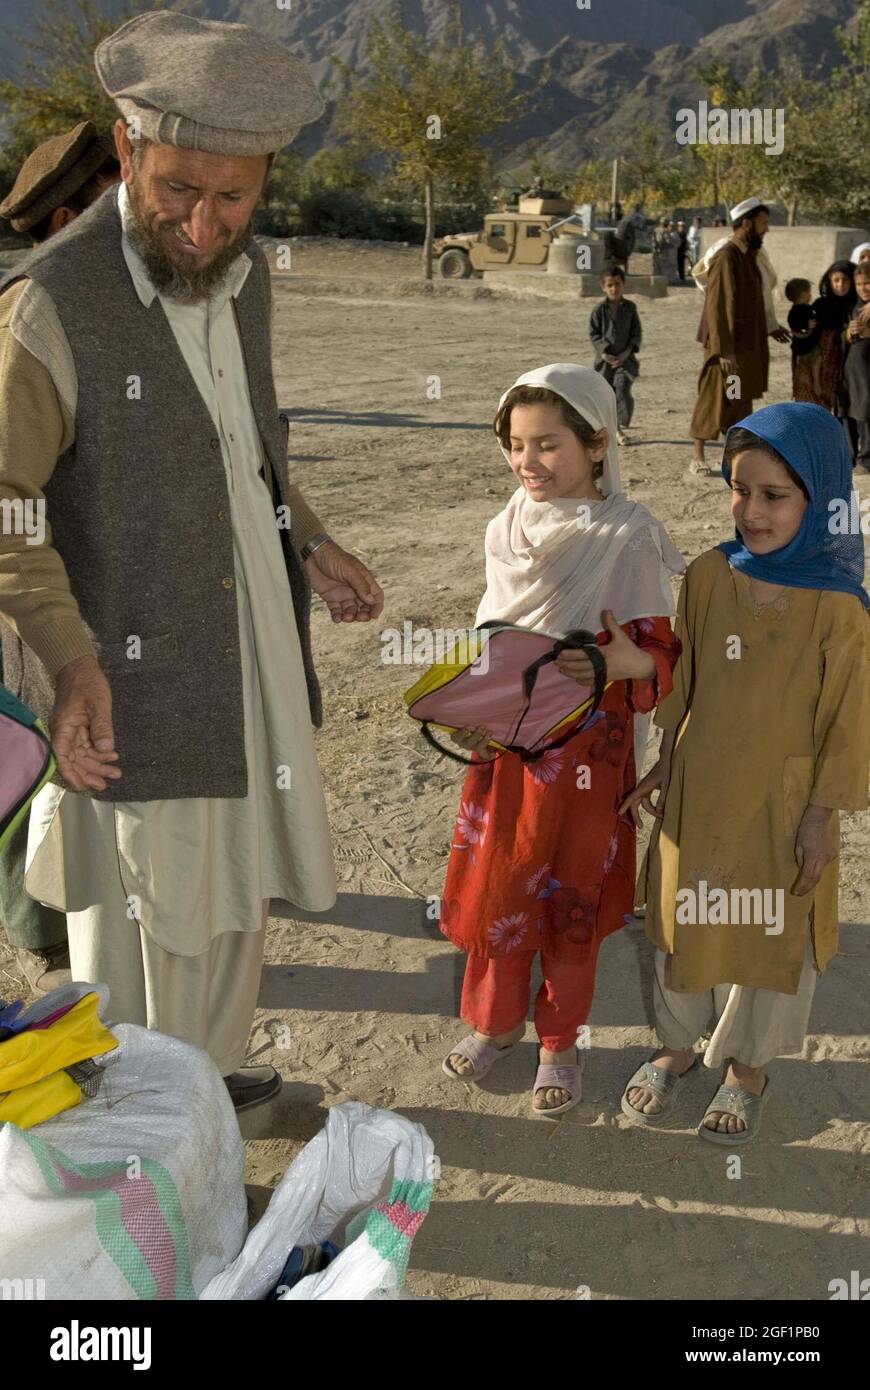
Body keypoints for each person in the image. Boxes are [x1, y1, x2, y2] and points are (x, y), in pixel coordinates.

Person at [0, 12, 383, 1113]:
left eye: (234, 196)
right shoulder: (49, 306)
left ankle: (200, 1077)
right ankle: (155, 1133)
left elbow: (242, 441)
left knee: (229, 888)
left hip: (248, 643)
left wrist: (309, 541)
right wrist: (71, 660)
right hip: (132, 667)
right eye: (177, 190)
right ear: (124, 151)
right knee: (150, 912)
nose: (205, 225)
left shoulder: (247, 276)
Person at [438, 363, 683, 1118]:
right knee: (502, 886)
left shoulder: (630, 535)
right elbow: (492, 633)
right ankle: (493, 1022)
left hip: (586, 753)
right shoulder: (504, 526)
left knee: (570, 899)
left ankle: (560, 1042)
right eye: (516, 445)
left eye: (548, 444)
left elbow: (663, 656)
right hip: (507, 747)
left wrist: (615, 660)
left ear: (599, 442)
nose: (528, 463)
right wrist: (462, 699)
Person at [620, 403, 869, 1143]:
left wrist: (822, 816)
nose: (751, 511)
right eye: (739, 489)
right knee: (682, 916)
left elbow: (849, 724)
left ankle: (746, 1068)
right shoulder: (706, 575)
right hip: (701, 791)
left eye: (774, 495)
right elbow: (688, 683)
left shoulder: (840, 607)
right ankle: (675, 1046)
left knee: (768, 931)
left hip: (784, 803)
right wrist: (665, 763)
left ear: (820, 499)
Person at [0, 121, 120, 995]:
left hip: (74, 574)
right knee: (32, 748)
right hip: (25, 583)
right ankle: (38, 922)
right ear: (73, 216)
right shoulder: (32, 313)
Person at [689, 196, 788, 477]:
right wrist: (724, 349)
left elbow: (755, 300)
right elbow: (719, 305)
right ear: (747, 224)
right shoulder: (726, 257)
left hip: (744, 343)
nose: (766, 230)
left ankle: (735, 455)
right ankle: (697, 456)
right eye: (763, 224)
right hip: (726, 345)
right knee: (715, 397)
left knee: (740, 398)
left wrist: (771, 326)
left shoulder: (749, 256)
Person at [589, 264, 642, 446]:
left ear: (623, 284)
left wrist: (626, 353)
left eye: (617, 284)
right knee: (605, 394)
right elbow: (594, 334)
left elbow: (636, 334)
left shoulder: (630, 308)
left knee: (622, 389)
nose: (614, 289)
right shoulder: (598, 310)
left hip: (625, 361)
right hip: (605, 362)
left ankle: (619, 425)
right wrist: (604, 353)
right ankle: (615, 431)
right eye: (610, 285)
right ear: (603, 287)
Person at [805, 260, 856, 413]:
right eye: (836, 280)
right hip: (826, 364)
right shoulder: (820, 305)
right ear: (829, 281)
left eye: (845, 280)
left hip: (851, 363)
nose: (840, 285)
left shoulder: (857, 304)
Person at [841, 260, 870, 473]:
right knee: (856, 411)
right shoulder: (855, 307)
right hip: (855, 370)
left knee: (867, 411)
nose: (863, 288)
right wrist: (849, 334)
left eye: (867, 283)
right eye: (859, 284)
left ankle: (867, 459)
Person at [784, 277, 822, 403]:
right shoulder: (803, 310)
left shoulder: (795, 311)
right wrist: (808, 326)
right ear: (804, 294)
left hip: (800, 347)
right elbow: (797, 326)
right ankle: (816, 383)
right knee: (816, 361)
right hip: (806, 346)